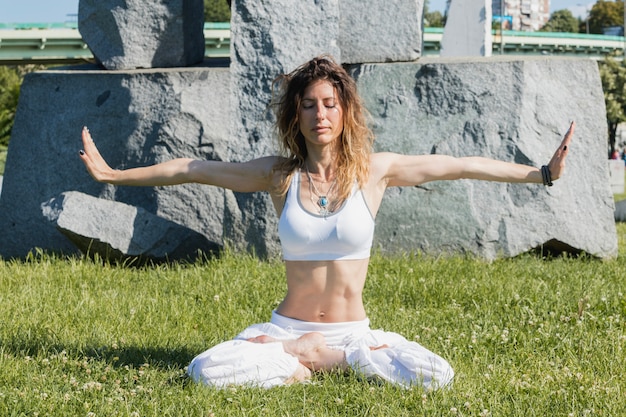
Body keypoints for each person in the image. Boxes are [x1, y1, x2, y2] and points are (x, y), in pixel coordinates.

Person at [79, 55, 574, 390]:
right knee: (205, 370)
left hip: (353, 333)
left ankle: (333, 361)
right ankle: (296, 359)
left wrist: (542, 174)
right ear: (297, 114)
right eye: (310, 104)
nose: (321, 113)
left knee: (436, 375)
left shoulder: (375, 172)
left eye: (330, 104)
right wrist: (115, 175)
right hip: (287, 329)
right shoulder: (279, 176)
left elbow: (461, 164)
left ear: (345, 112)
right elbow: (195, 169)